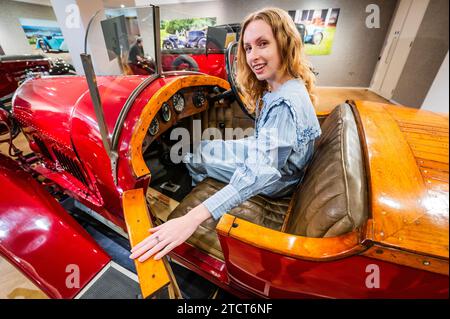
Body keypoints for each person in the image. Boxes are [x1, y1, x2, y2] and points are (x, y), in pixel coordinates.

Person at [130, 7, 321, 262]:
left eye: (263, 44)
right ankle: (200, 170)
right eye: (249, 48)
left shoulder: (285, 104)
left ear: (284, 43)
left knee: (197, 158)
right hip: (280, 163)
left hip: (278, 180)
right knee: (208, 146)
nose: (253, 56)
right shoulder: (287, 85)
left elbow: (259, 173)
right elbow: (270, 140)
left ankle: (194, 187)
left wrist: (191, 218)